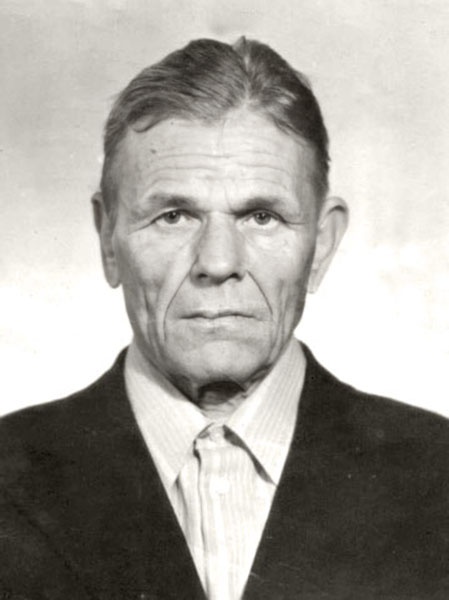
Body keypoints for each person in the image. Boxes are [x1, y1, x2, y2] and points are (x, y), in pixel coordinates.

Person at [1, 37, 448, 600]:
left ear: (322, 245)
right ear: (108, 239)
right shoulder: (9, 476)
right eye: (173, 216)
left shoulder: (439, 477)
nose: (217, 263)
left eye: (262, 216)